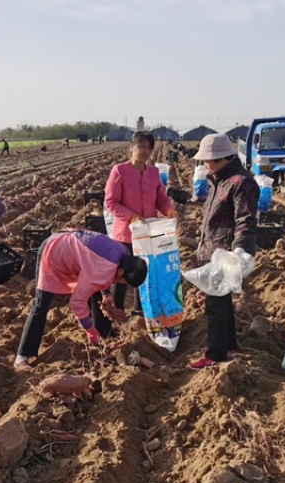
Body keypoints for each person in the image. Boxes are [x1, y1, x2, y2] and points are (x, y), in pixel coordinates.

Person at [13, 230, 148, 371]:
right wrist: (89, 330)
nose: (121, 284)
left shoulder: (123, 253)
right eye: (123, 281)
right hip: (53, 253)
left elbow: (100, 274)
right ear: (121, 272)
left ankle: (105, 334)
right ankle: (22, 357)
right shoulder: (103, 268)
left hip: (74, 251)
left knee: (96, 292)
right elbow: (77, 302)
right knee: (41, 305)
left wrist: (106, 295)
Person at [190, 134, 259, 370]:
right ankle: (228, 344)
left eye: (206, 160)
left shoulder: (241, 183)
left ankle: (215, 353)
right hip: (213, 251)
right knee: (221, 300)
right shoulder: (221, 180)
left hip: (225, 253)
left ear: (218, 158)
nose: (204, 164)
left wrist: (239, 250)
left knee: (215, 305)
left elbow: (245, 221)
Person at [104, 130, 177, 312]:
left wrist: (168, 209)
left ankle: (140, 309)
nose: (145, 151)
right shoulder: (120, 171)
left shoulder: (153, 172)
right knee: (121, 275)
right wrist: (132, 217)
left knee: (145, 272)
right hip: (126, 234)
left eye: (148, 147)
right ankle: (117, 312)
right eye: (141, 146)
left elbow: (161, 197)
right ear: (132, 147)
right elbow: (110, 202)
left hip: (149, 232)